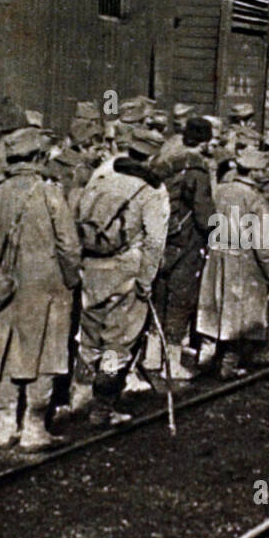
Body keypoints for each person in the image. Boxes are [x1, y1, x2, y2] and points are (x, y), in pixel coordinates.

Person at [0, 127, 81, 449]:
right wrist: (71, 280)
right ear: (39, 157)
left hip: (6, 286)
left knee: (9, 352)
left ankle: (5, 424)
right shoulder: (49, 192)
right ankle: (34, 427)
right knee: (45, 356)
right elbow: (68, 245)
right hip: (46, 285)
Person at [71, 126, 169, 425]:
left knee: (89, 337)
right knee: (117, 343)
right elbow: (154, 241)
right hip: (126, 271)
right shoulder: (152, 190)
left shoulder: (103, 175)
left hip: (91, 265)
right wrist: (146, 280)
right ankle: (103, 404)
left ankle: (79, 396)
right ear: (153, 156)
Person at [196, 147, 269, 378]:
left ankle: (207, 358)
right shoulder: (255, 200)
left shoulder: (221, 190)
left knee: (217, 310)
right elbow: (264, 245)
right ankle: (229, 363)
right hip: (244, 262)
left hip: (216, 256)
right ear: (255, 173)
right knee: (241, 316)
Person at [149, 115, 215, 381]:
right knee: (180, 300)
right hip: (187, 241)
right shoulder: (198, 170)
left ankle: (151, 357)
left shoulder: (167, 162)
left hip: (163, 237)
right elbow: (204, 215)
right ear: (205, 142)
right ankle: (171, 363)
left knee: (160, 295)